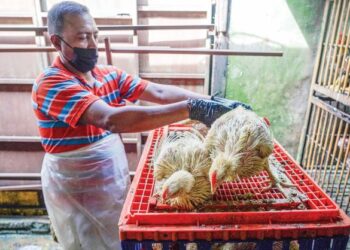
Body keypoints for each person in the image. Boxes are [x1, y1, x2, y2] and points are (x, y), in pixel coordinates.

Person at [31, 1, 250, 249]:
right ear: (57, 42)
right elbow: (110, 119)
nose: (92, 45)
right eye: (82, 38)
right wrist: (193, 110)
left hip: (110, 175)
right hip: (74, 184)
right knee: (85, 240)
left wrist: (212, 101)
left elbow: (157, 91)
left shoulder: (107, 75)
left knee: (117, 233)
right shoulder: (51, 84)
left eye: (95, 36)